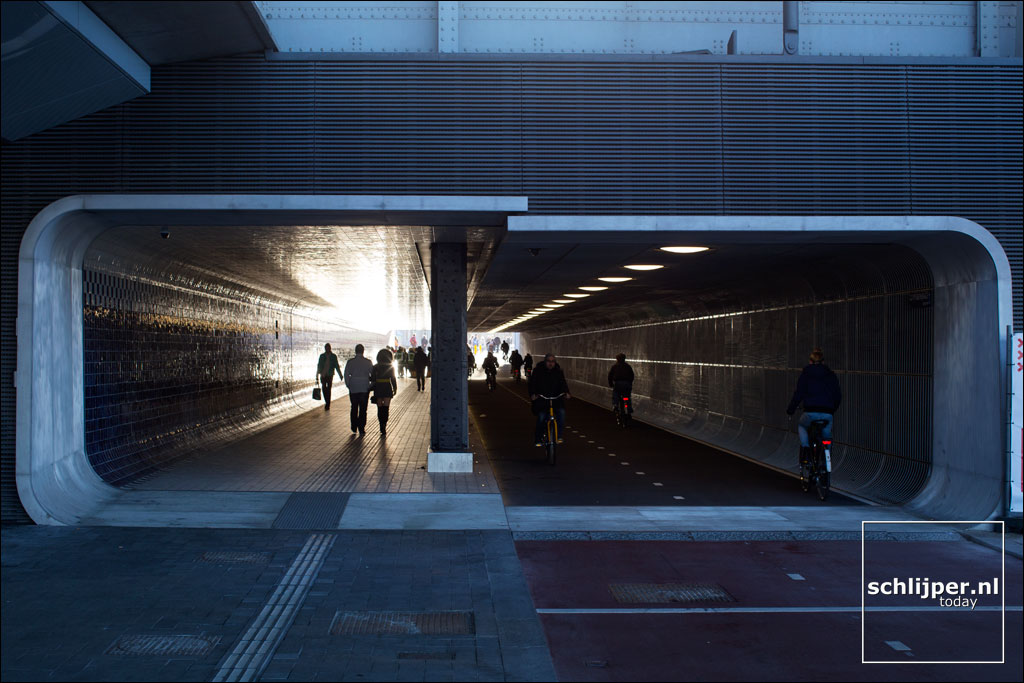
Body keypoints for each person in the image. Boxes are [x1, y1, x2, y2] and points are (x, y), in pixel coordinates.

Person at [786, 348, 842, 468]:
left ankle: (806, 450)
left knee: (802, 426)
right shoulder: (830, 375)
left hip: (810, 412)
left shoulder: (806, 374)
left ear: (810, 361)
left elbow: (798, 394)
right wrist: (832, 409)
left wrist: (791, 409)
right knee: (827, 435)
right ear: (823, 362)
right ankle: (826, 458)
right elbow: (837, 395)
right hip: (828, 413)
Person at [528, 353, 571, 446]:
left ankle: (559, 436)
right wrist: (533, 394)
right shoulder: (538, 371)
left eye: (553, 361)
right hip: (542, 399)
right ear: (545, 362)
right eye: (548, 361)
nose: (550, 364)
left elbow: (563, 383)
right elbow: (532, 384)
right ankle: (538, 438)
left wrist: (566, 393)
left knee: (562, 414)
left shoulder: (558, 371)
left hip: (556, 399)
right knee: (541, 417)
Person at [344, 344, 374, 434]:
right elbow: (372, 375)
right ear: (363, 351)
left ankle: (354, 426)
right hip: (364, 387)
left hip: (353, 387)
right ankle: (361, 427)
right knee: (363, 409)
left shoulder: (350, 362)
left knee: (354, 407)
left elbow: (346, 375)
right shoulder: (368, 362)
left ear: (355, 351)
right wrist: (370, 385)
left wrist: (348, 384)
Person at [371, 348, 398, 435]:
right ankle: (384, 424)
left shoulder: (375, 367)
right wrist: (395, 388)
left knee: (379, 407)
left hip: (378, 387)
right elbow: (393, 379)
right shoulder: (390, 367)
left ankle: (380, 424)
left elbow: (372, 379)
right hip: (387, 387)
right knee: (386, 407)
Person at [316, 343, 343, 411]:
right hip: (323, 375)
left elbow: (336, 366)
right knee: (324, 389)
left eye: (328, 348)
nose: (327, 349)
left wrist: (340, 375)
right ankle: (327, 401)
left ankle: (328, 404)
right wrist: (317, 375)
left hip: (330, 375)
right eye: (326, 348)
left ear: (330, 348)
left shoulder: (333, 356)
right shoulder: (322, 356)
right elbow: (319, 366)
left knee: (328, 389)